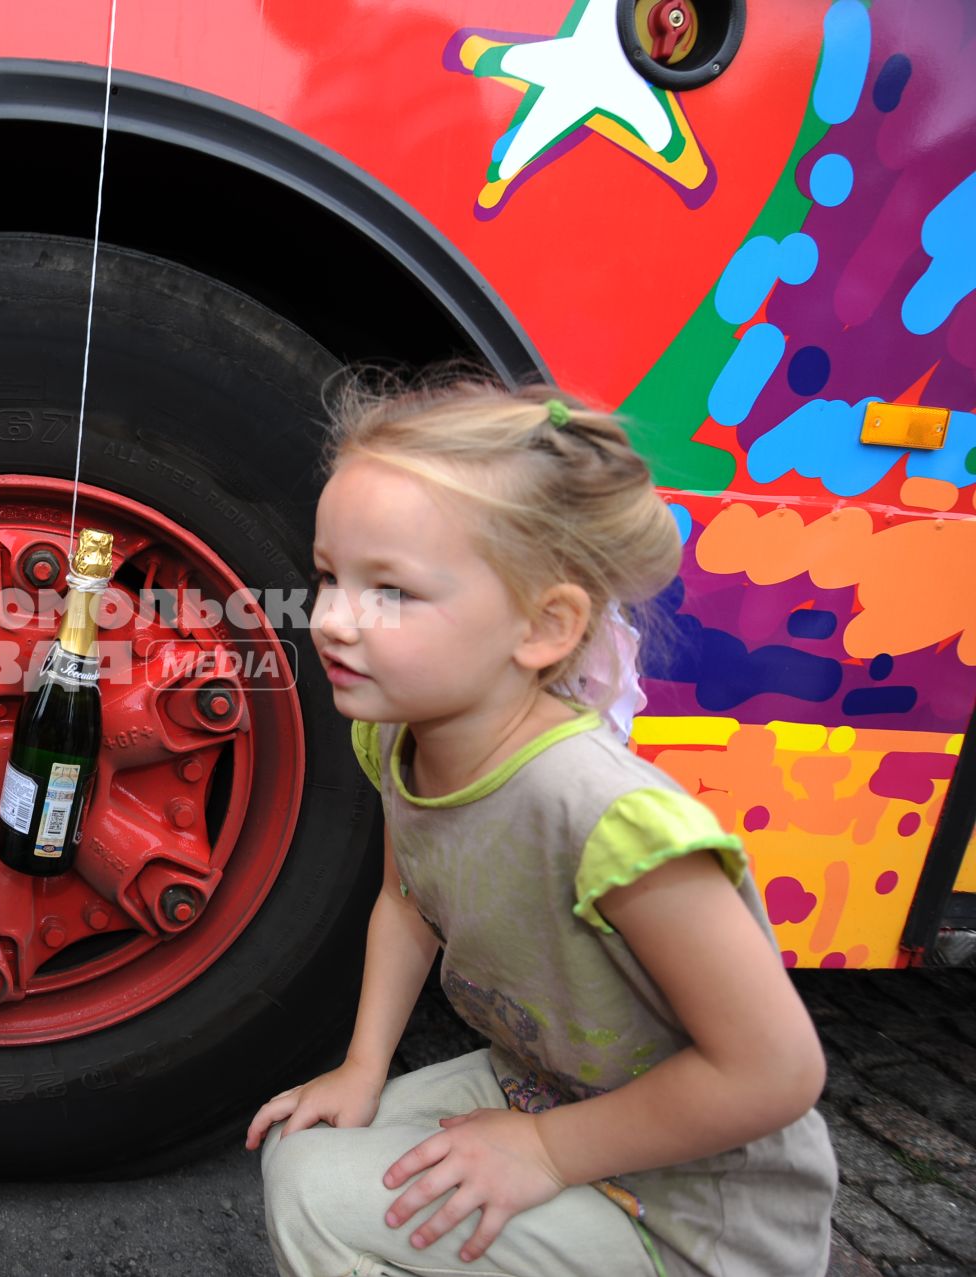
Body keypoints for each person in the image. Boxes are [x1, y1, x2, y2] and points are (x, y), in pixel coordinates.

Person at [248, 380, 836, 1277]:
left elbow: (775, 1072)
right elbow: (407, 907)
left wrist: (547, 1152)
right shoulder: (397, 736)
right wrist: (363, 1065)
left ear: (544, 625)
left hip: (694, 1210)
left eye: (392, 591)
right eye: (330, 575)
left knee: (319, 1199)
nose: (330, 617)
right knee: (304, 1144)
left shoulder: (605, 817)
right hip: (545, 1084)